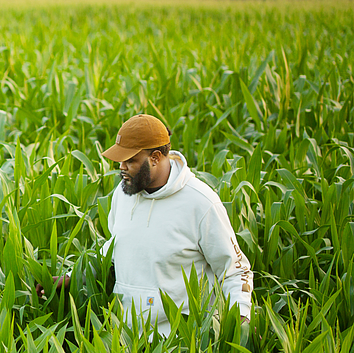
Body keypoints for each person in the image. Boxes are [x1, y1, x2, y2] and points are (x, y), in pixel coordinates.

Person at [38, 114, 253, 336]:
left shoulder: (201, 203)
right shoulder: (123, 195)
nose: (122, 168)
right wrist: (74, 276)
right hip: (125, 337)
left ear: (155, 157)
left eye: (130, 160)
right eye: (120, 161)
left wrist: (240, 319)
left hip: (182, 343)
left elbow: (236, 271)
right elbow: (116, 245)